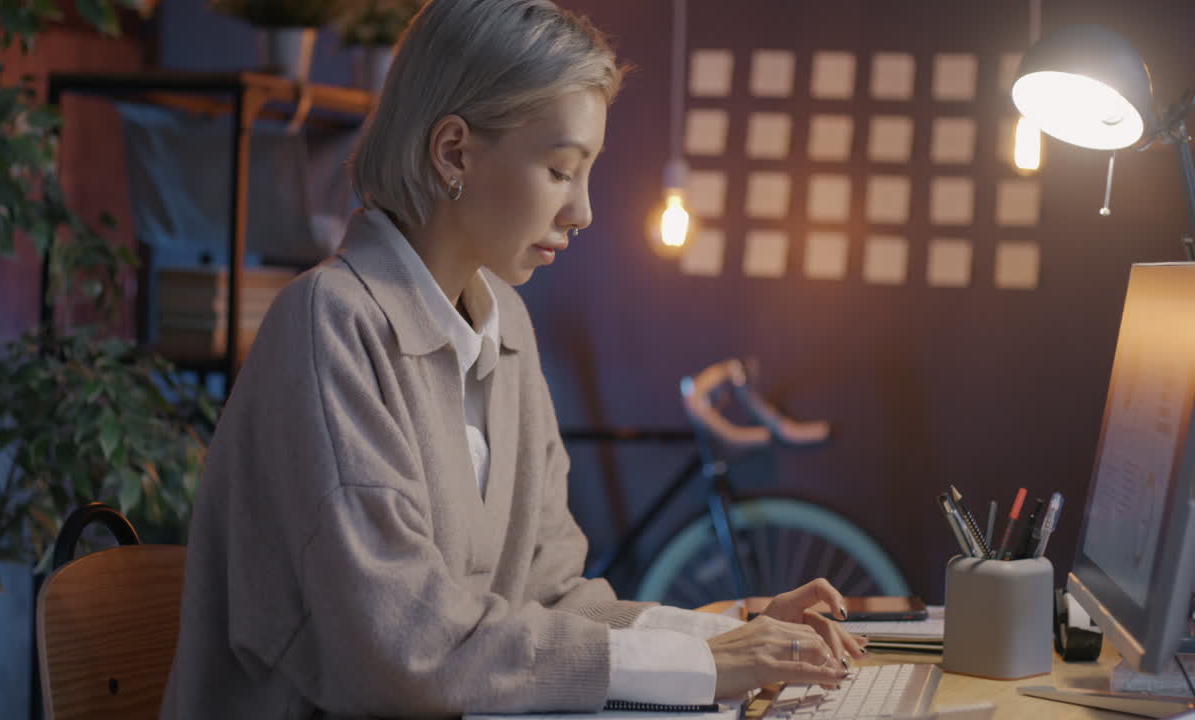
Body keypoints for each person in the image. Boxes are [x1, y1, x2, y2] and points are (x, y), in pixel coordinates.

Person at [161, 0, 864, 717]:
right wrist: (705, 662)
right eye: (562, 170)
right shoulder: (328, 327)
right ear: (454, 151)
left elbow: (553, 600)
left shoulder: (508, 327)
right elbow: (406, 652)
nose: (583, 210)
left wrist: (731, 639)